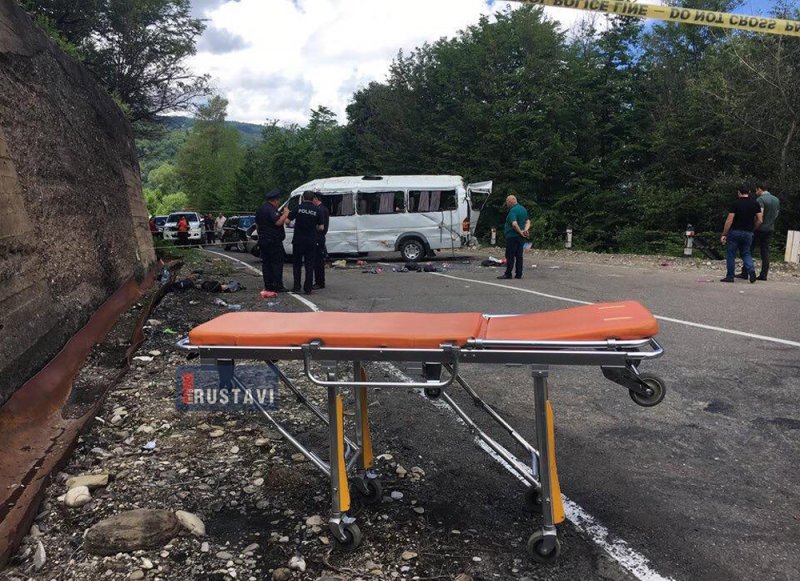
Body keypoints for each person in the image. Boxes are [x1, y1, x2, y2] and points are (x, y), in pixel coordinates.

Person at [720, 185, 763, 283]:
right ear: (749, 192)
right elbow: (760, 220)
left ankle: (730, 276)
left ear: (739, 192)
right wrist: (753, 229)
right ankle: (751, 270)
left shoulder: (735, 203)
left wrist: (724, 233)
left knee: (731, 254)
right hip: (748, 232)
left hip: (735, 231)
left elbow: (729, 220)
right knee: (746, 253)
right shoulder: (755, 203)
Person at [738, 184, 780, 281]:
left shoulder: (760, 200)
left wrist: (754, 227)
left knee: (749, 250)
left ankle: (745, 272)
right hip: (770, 228)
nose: (755, 192)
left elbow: (759, 215)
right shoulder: (776, 199)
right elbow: (776, 214)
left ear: (760, 189)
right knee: (765, 251)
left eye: (756, 190)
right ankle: (763, 274)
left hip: (759, 229)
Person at [289, 191, 324, 294]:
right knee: (309, 265)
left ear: (303, 198)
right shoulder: (317, 210)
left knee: (297, 265)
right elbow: (321, 227)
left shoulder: (298, 208)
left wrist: (295, 225)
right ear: (313, 199)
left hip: (298, 240)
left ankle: (296, 287)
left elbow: (288, 220)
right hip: (311, 241)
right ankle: (308, 288)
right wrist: (313, 226)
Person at [255, 190, 289, 292]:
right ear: (275, 200)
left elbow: (257, 225)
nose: (279, 202)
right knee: (276, 263)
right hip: (273, 241)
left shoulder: (260, 209)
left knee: (266, 264)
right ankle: (277, 285)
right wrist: (286, 214)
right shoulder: (271, 209)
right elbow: (278, 222)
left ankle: (268, 285)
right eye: (278, 200)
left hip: (263, 240)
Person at [498, 194, 530, 280]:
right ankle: (519, 273)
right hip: (521, 238)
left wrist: (520, 232)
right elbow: (527, 221)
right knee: (519, 255)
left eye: (507, 202)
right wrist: (525, 230)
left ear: (510, 202)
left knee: (510, 255)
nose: (506, 204)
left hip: (512, 236)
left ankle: (508, 273)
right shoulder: (523, 209)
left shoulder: (513, 211)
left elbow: (514, 224)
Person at [312, 192, 330, 290]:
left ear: (316, 199)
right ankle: (319, 281)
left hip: (318, 237)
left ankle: (319, 282)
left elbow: (321, 226)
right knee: (317, 260)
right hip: (320, 237)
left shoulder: (320, 210)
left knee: (318, 261)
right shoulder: (323, 208)